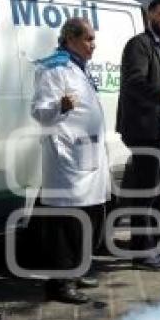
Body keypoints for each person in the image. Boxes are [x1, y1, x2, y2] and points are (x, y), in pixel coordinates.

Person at [30, 18, 109, 304]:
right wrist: (59, 106)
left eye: (93, 39)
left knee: (88, 214)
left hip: (86, 151)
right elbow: (39, 111)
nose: (93, 44)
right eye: (88, 38)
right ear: (70, 39)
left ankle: (76, 271)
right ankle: (60, 283)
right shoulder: (53, 68)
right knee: (67, 222)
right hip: (66, 155)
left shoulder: (78, 67)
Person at [116, 0, 160, 272]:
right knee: (145, 191)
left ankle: (154, 243)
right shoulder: (139, 45)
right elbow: (134, 81)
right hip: (145, 130)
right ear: (151, 16)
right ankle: (142, 252)